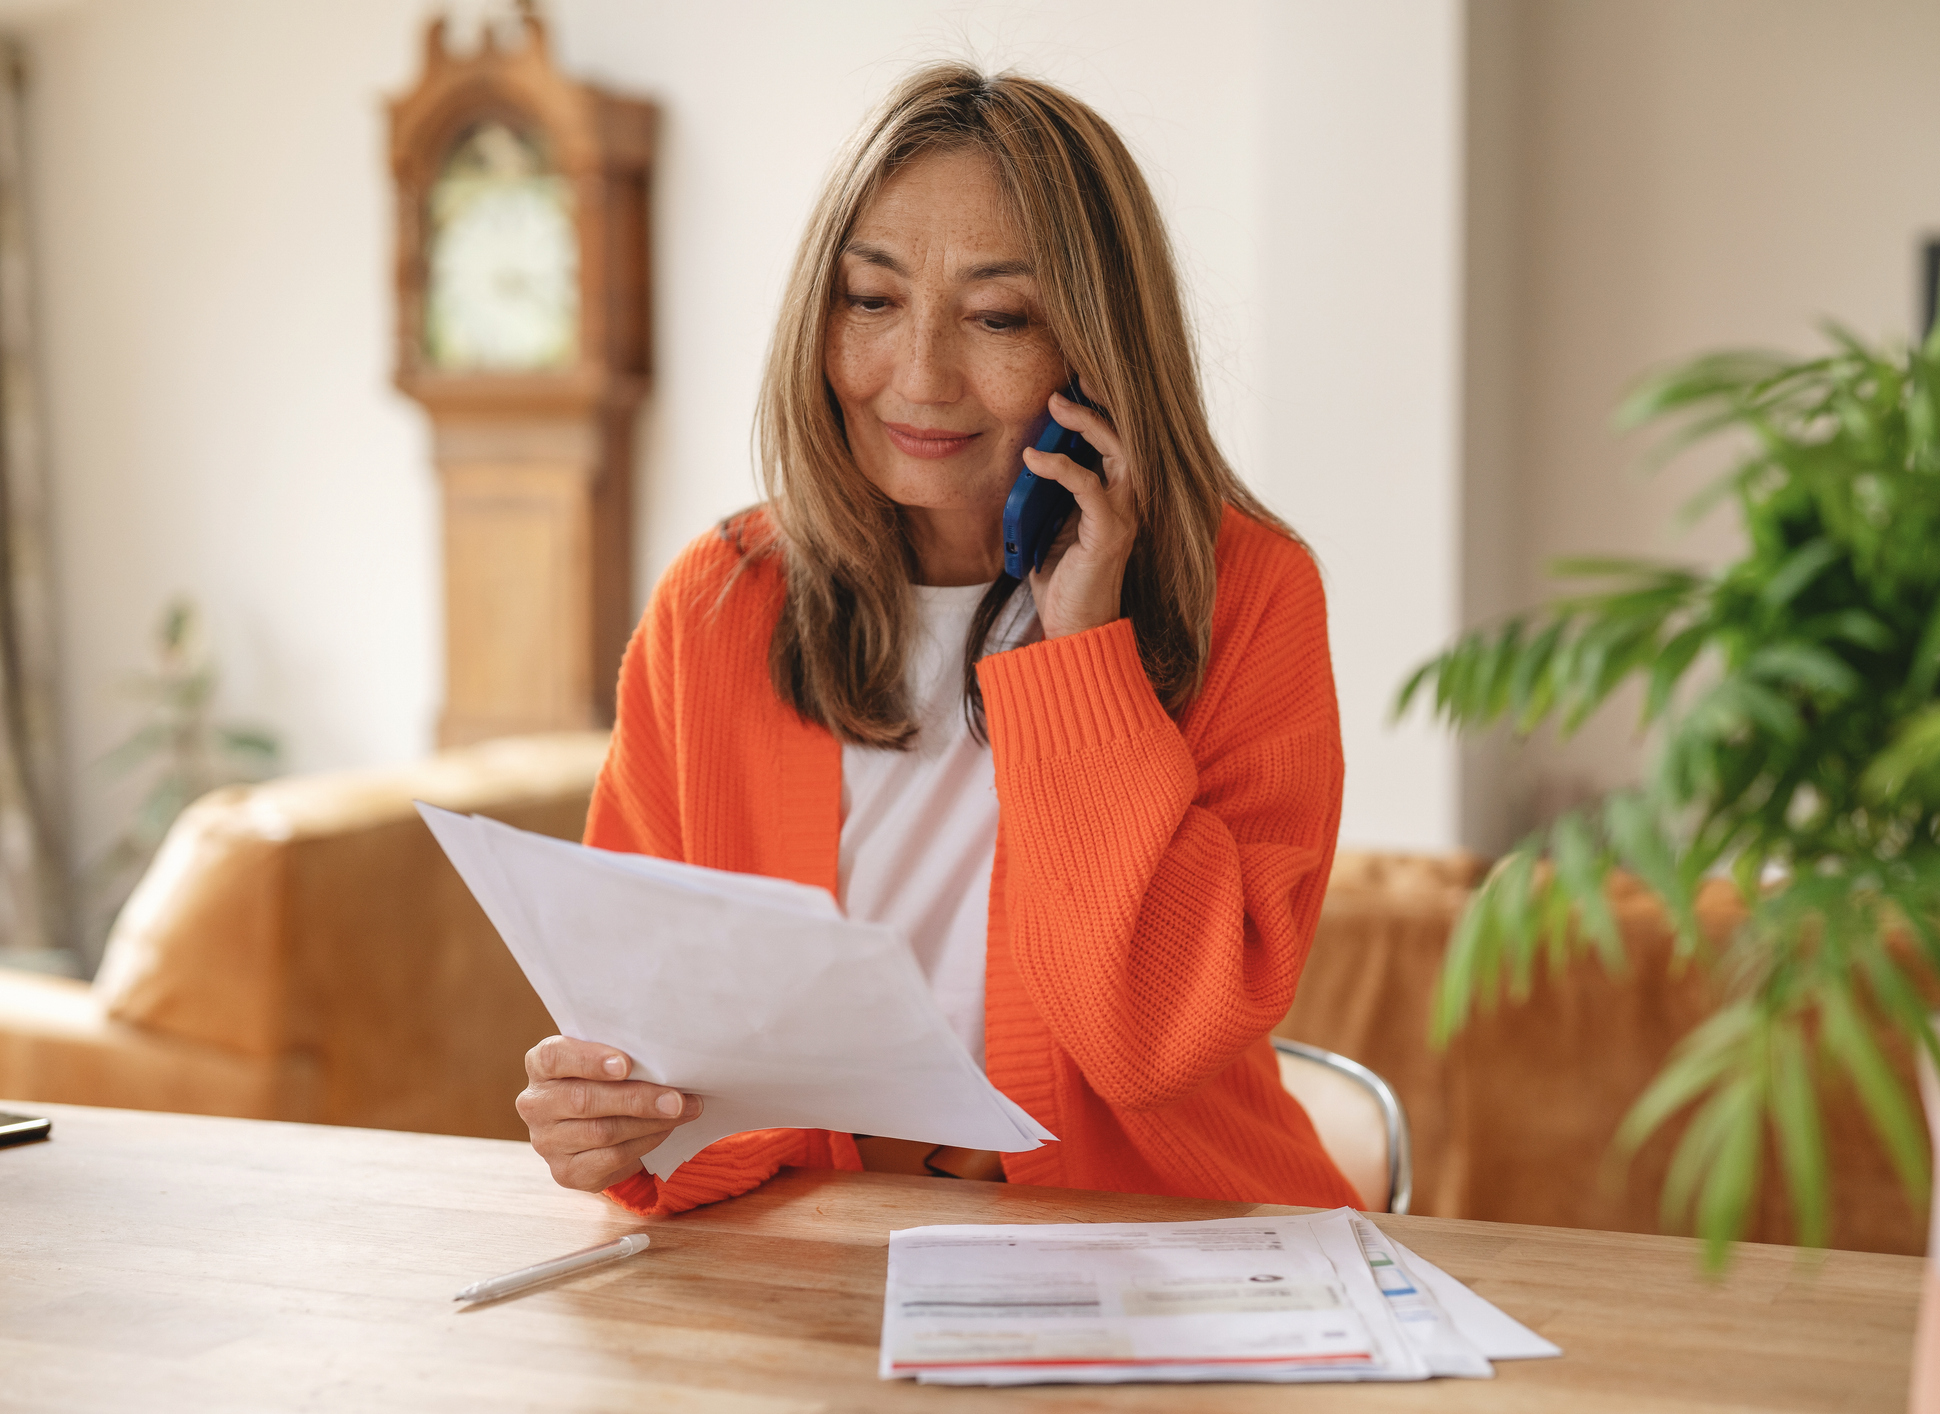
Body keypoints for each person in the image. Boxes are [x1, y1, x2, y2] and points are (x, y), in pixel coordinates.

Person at [515, 63, 1361, 1216]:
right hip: (830, 1271)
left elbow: (1151, 1039)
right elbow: (658, 1057)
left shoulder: (1250, 592)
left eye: (1000, 317)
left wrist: (1081, 652)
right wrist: (619, 1127)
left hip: (1176, 1258)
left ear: (1095, 346)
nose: (918, 378)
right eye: (871, 301)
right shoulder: (717, 605)